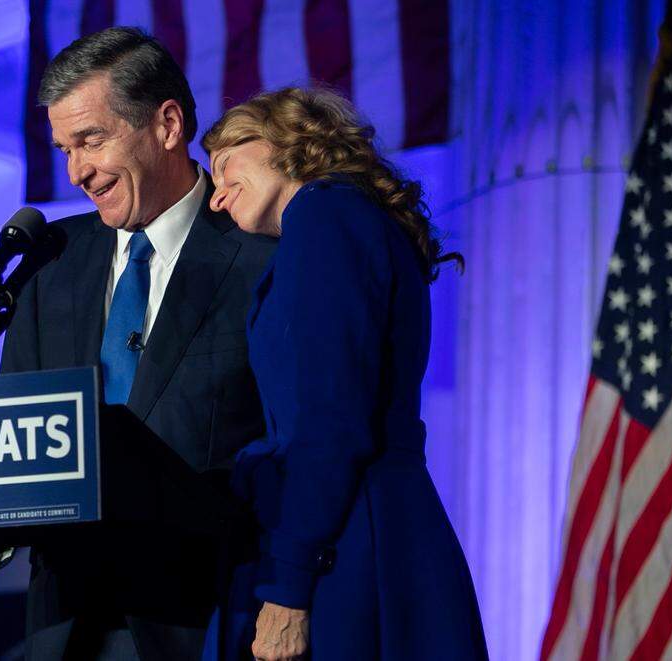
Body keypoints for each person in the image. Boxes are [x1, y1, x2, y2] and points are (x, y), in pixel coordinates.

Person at [0, 28, 275, 661]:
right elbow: (18, 438)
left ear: (167, 125)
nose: (77, 172)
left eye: (92, 140)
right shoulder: (50, 262)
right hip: (65, 623)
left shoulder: (261, 257)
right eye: (65, 149)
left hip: (205, 621)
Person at [200, 87, 488, 661]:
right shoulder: (339, 219)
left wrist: (288, 586)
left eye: (226, 163)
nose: (216, 195)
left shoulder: (325, 214)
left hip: (348, 543)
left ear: (284, 139)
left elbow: (330, 421)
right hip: (360, 527)